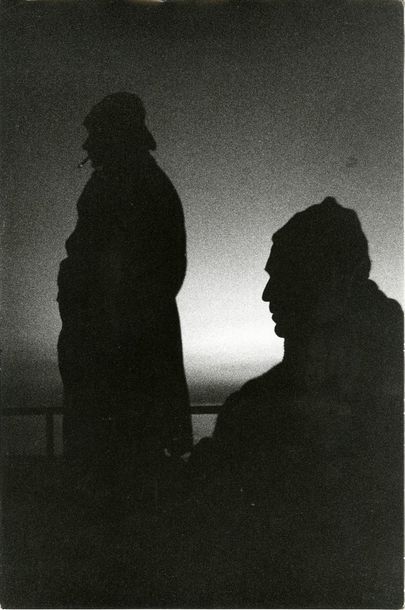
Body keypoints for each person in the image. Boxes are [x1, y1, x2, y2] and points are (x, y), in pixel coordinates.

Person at [167, 197, 403, 608]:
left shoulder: (264, 410)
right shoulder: (375, 381)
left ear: (323, 281)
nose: (266, 294)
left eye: (282, 276)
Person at [57, 93, 192, 490]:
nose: (86, 145)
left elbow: (133, 279)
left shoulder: (133, 186)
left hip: (118, 369)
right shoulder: (131, 183)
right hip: (113, 360)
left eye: (94, 133)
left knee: (117, 484)